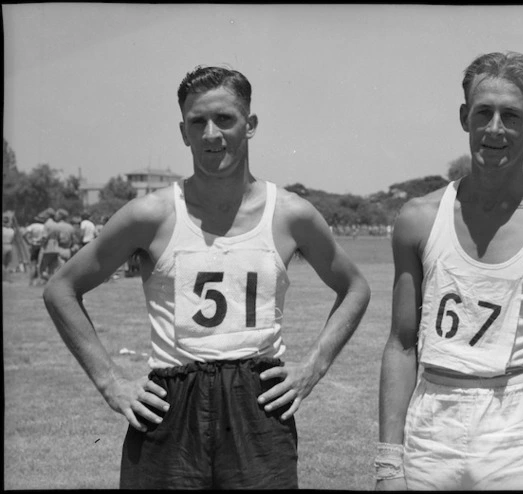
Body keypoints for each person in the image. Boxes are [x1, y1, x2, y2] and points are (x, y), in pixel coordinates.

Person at [43, 65, 371, 489]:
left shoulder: (290, 213)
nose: (211, 134)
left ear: (249, 124)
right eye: (198, 122)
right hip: (170, 405)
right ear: (183, 132)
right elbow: (61, 288)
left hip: (257, 404)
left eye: (225, 119)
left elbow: (355, 288)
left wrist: (313, 368)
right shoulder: (151, 214)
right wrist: (110, 382)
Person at [376, 51, 523, 491]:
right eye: (484, 113)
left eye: (512, 115)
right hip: (431, 427)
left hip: (521, 430)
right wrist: (388, 463)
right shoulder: (418, 218)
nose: (495, 129)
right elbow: (401, 346)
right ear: (465, 117)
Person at [23, 211, 48, 286]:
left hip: (33, 245)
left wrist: (28, 242)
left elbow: (24, 234)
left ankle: (31, 281)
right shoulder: (44, 227)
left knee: (33, 264)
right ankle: (39, 281)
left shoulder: (33, 226)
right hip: (41, 246)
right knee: (40, 264)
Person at [2, 213, 16, 281]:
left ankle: (3, 277)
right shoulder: (12, 230)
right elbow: (12, 240)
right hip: (9, 246)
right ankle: (8, 278)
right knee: (7, 264)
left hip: (3, 245)